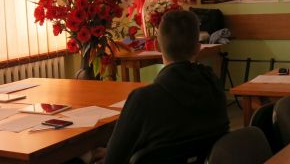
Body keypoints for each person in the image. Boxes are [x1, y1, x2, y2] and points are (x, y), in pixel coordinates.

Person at [95, 10, 229, 164]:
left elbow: (112, 160)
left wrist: (111, 151)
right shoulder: (214, 85)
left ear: (157, 46)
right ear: (198, 48)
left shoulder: (143, 99)